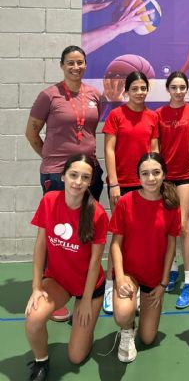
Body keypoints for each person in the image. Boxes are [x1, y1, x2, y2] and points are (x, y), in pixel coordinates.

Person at [26, 45, 103, 322]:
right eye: (70, 63)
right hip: (58, 175)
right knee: (56, 233)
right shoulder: (49, 95)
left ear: (85, 65)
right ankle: (51, 290)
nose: (75, 67)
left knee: (82, 232)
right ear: (62, 65)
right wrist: (51, 159)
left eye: (80, 62)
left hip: (89, 171)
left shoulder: (94, 95)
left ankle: (81, 286)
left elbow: (89, 129)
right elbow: (31, 132)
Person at [25, 155, 108, 381]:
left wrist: (86, 300)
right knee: (33, 318)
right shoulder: (49, 200)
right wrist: (36, 286)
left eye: (85, 177)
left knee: (76, 357)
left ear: (90, 182)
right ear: (63, 176)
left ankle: (86, 329)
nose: (78, 182)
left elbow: (94, 264)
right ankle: (41, 362)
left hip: (88, 287)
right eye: (73, 175)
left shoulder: (98, 213)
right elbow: (40, 245)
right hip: (58, 281)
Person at [109, 153, 181, 363]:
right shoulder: (125, 202)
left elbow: (171, 247)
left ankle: (141, 309)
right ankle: (127, 329)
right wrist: (120, 277)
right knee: (123, 314)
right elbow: (115, 244)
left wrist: (163, 283)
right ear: (138, 177)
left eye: (156, 172)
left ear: (164, 175)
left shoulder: (171, 205)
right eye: (145, 173)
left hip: (154, 277)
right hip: (129, 273)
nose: (151, 178)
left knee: (148, 338)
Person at [102, 71, 159, 313]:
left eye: (142, 88)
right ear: (127, 91)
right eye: (134, 88)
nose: (139, 92)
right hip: (121, 184)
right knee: (119, 237)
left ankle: (131, 287)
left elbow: (154, 152)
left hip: (146, 185)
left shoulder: (152, 116)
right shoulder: (116, 115)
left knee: (139, 239)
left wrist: (156, 181)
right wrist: (114, 183)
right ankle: (110, 283)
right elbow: (109, 149)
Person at [156, 71, 189, 308]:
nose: (178, 91)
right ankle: (172, 269)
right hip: (165, 178)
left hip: (186, 176)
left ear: (186, 88)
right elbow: (155, 146)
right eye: (173, 87)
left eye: (181, 87)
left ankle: (188, 281)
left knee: (183, 226)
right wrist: (156, 174)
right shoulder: (159, 114)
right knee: (167, 227)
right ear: (168, 89)